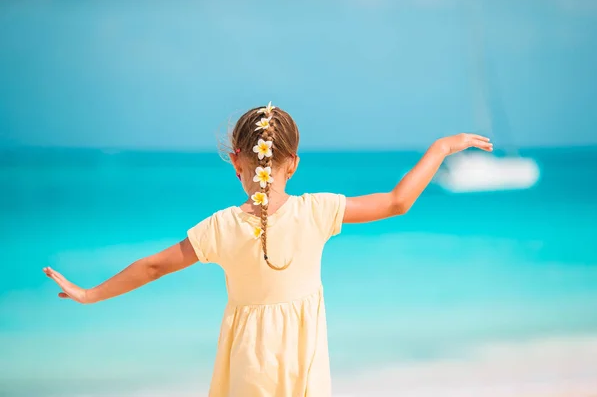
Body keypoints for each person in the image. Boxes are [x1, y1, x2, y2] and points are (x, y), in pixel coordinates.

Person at [43, 102, 492, 397]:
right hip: (303, 369)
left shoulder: (221, 226)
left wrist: (90, 293)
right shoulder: (319, 210)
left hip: (246, 367)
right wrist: (440, 148)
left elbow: (155, 266)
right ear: (292, 163)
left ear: (237, 159)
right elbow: (397, 202)